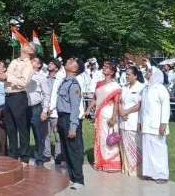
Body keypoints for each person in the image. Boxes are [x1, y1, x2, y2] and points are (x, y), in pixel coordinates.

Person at [0, 43, 35, 163]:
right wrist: (1, 74)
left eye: (27, 45)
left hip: (18, 96)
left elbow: (23, 82)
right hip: (8, 96)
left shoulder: (29, 65)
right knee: (10, 127)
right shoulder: (14, 61)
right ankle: (13, 155)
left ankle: (24, 157)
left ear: (30, 51)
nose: (23, 45)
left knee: (22, 127)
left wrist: (7, 78)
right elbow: (7, 74)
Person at [84, 61, 121, 172]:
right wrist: (88, 109)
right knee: (100, 137)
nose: (104, 68)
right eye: (104, 66)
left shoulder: (115, 86)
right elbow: (95, 98)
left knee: (109, 137)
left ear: (112, 72)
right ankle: (100, 162)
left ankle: (111, 163)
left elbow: (116, 102)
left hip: (109, 114)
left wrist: (114, 117)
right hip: (99, 115)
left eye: (107, 67)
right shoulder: (99, 84)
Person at [56, 58, 84, 191]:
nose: (70, 60)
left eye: (73, 61)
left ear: (74, 69)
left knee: (73, 150)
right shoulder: (64, 81)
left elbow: (75, 108)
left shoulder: (73, 84)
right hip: (62, 118)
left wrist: (73, 127)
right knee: (65, 150)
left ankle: (79, 179)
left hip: (69, 119)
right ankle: (72, 176)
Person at [139, 66, 171, 184]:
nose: (147, 73)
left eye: (150, 71)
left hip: (157, 125)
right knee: (147, 150)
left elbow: (166, 107)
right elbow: (142, 108)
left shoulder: (161, 89)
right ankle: (149, 173)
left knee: (159, 150)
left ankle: (161, 175)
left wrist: (163, 123)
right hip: (146, 125)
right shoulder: (146, 89)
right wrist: (139, 122)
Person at [119, 66, 145, 176]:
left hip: (134, 119)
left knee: (133, 144)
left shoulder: (141, 87)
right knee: (123, 144)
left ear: (135, 75)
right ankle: (125, 168)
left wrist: (127, 112)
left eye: (129, 74)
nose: (127, 76)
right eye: (126, 74)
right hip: (122, 120)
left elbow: (140, 104)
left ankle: (135, 169)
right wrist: (121, 112)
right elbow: (119, 101)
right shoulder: (124, 87)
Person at [28, 56, 50, 167]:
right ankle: (24, 158)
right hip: (24, 108)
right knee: (24, 134)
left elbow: (46, 94)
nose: (31, 61)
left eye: (34, 61)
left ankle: (39, 159)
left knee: (38, 134)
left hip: (36, 108)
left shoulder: (41, 77)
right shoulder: (24, 75)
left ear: (39, 65)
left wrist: (45, 111)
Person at [43, 60, 64, 164]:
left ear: (56, 68)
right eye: (49, 63)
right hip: (44, 110)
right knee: (45, 134)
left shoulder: (60, 80)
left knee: (57, 134)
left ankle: (58, 155)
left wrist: (52, 108)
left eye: (52, 64)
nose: (49, 65)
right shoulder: (44, 78)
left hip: (55, 111)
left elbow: (58, 96)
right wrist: (45, 108)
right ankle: (46, 154)